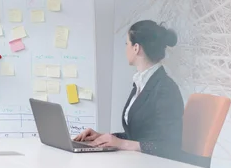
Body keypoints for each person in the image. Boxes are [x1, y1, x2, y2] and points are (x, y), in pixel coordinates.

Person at [75, 20, 184, 160]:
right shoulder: (141, 83)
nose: (126, 48)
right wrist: (104, 137)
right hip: (136, 162)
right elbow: (139, 135)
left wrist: (121, 143)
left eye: (127, 44)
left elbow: (169, 146)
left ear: (136, 48)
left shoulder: (166, 89)